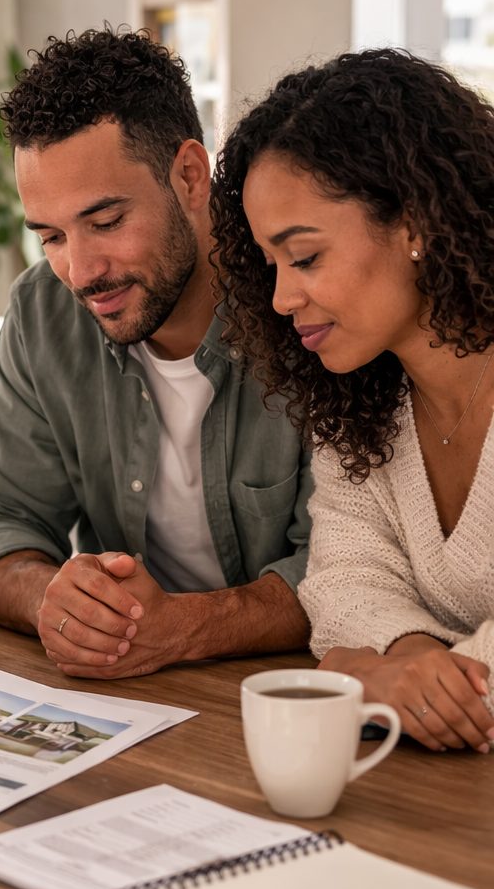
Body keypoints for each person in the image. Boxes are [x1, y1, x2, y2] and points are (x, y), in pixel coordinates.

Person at [0, 28, 312, 680]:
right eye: (51, 236)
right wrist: (49, 599)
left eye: (106, 222)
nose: (80, 271)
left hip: (296, 701)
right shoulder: (44, 312)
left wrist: (182, 628)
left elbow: (361, 567)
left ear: (191, 177)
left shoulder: (306, 305)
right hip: (133, 701)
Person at [211, 47, 494, 752]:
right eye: (270, 265)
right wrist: (403, 658)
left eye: (304, 257)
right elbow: (342, 578)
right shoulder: (366, 403)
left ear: (416, 223)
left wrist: (363, 671)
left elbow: (350, 650)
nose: (280, 298)